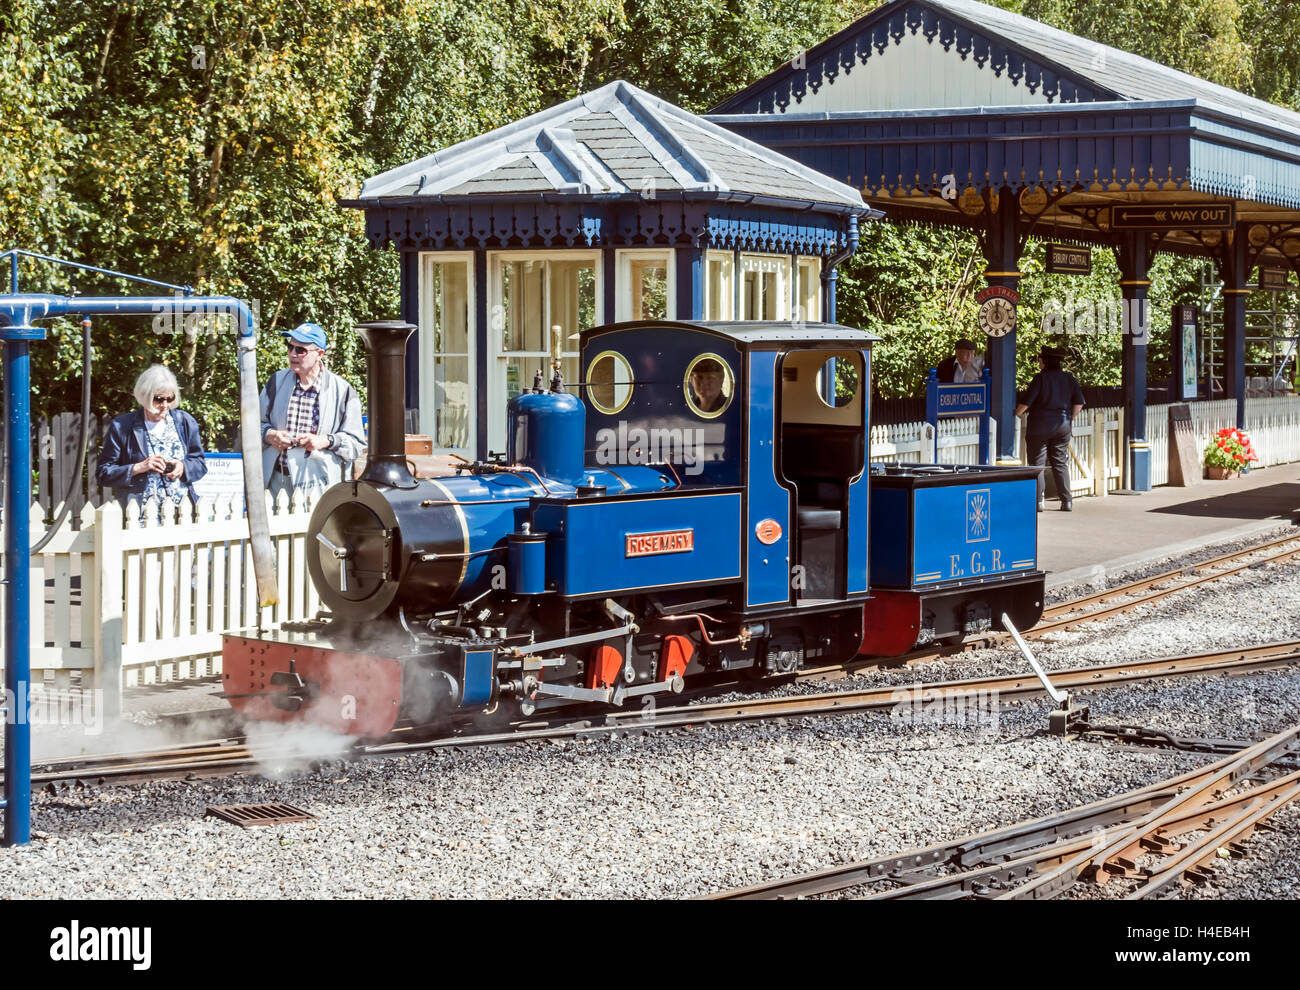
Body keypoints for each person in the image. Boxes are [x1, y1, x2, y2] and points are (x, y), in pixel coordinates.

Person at [260, 322, 364, 498]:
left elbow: (356, 444)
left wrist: (327, 440)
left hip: (320, 484)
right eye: (290, 347)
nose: (293, 354)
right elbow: (251, 427)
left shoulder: (343, 390)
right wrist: (269, 435)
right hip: (277, 481)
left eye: (301, 350)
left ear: (319, 354)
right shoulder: (275, 382)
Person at [96, 365, 207, 509]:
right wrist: (139, 467)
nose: (165, 405)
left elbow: (200, 463)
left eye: (170, 398)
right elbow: (103, 473)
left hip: (181, 514)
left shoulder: (184, 422)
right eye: (159, 399)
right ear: (145, 396)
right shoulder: (122, 426)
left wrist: (183, 467)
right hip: (138, 515)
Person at [1015, 345, 1085, 511]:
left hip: (1039, 426)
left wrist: (1014, 415)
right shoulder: (1069, 378)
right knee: (1060, 462)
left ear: (1044, 361)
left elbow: (1026, 403)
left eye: (1040, 359)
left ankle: (1038, 501)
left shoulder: (1040, 378)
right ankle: (1067, 501)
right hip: (1062, 426)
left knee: (1037, 463)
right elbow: (1079, 403)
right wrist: (1069, 418)